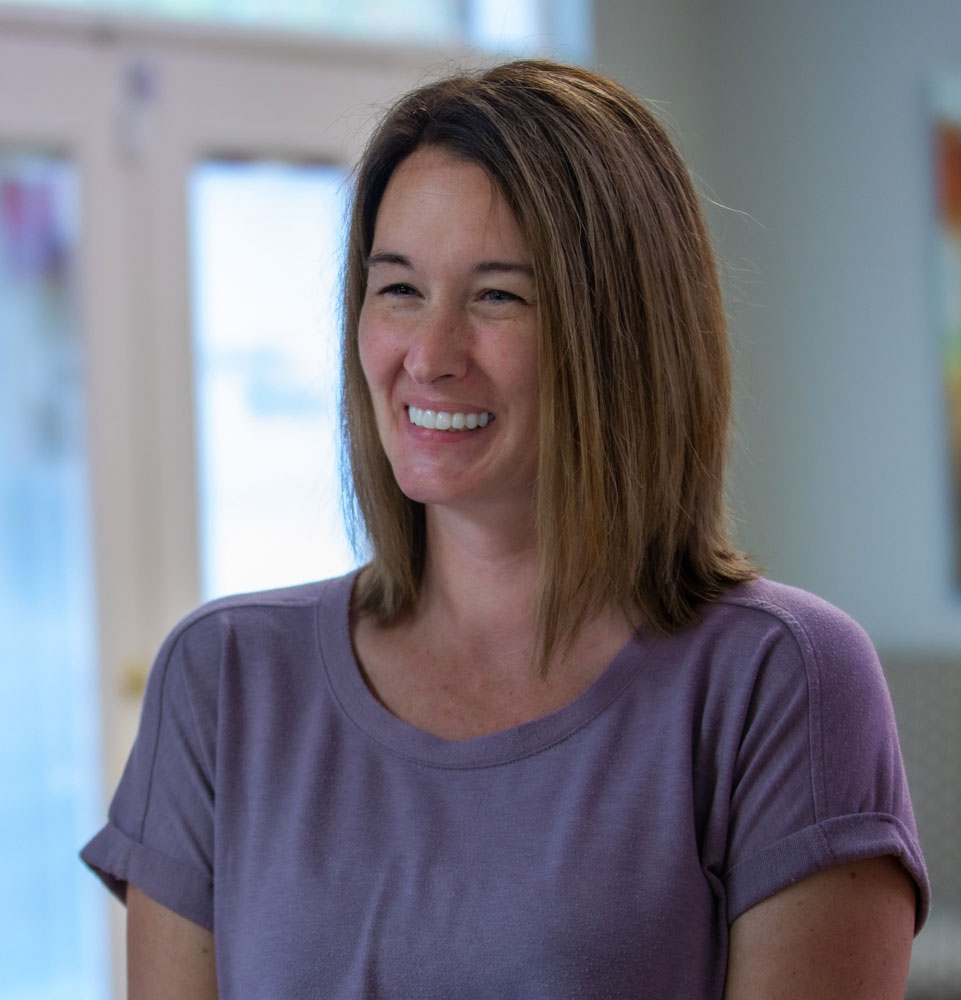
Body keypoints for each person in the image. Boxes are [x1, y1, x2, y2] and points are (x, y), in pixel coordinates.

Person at [82, 59, 929, 998]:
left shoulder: (779, 684)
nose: (428, 356)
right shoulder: (224, 680)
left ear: (623, 335)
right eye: (398, 288)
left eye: (497, 296)